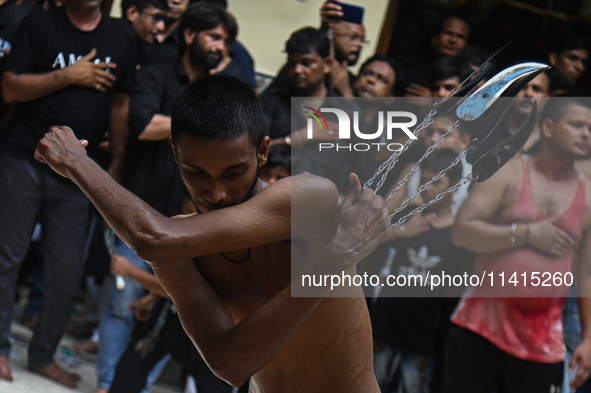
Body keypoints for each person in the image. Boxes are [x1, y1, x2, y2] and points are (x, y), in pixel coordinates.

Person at [34, 74, 387, 392]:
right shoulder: (177, 244)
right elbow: (230, 364)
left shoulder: (309, 197)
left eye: (233, 173)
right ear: (174, 151)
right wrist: (333, 259)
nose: (216, 193)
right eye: (197, 172)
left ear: (263, 151)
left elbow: (154, 238)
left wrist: (78, 164)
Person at [88, 3, 236, 393]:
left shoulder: (217, 93)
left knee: (169, 310)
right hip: (143, 206)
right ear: (189, 35)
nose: (221, 47)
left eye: (227, 41)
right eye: (214, 37)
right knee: (123, 303)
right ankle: (106, 385)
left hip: (190, 218)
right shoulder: (156, 74)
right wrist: (201, 124)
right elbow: (142, 123)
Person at [0, 0, 136, 386]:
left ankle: (42, 355)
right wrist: (71, 74)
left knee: (66, 272)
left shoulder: (120, 35)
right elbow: (10, 87)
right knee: (6, 258)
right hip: (25, 157)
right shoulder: (40, 24)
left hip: (79, 173)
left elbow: (122, 103)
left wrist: (116, 166)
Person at [445, 97, 591, 392]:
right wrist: (526, 234)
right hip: (479, 326)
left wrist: (589, 339)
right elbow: (461, 232)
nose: (586, 134)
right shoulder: (508, 172)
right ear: (548, 128)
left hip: (542, 341)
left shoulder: (588, 195)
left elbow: (587, 274)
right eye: (577, 125)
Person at [371, 148, 475, 393]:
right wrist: (403, 231)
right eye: (425, 180)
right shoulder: (409, 215)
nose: (427, 188)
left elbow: (455, 289)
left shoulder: (458, 235)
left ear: (455, 186)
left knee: (414, 386)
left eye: (437, 182)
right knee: (370, 384)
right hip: (386, 321)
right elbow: (369, 238)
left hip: (424, 333)